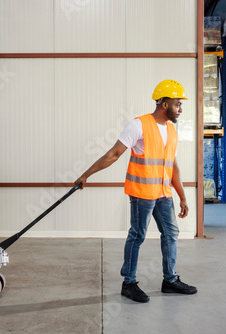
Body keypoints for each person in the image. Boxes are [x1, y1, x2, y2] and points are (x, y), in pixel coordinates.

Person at [74, 80, 197, 303]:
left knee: (171, 234)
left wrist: (182, 196)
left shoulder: (171, 130)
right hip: (142, 194)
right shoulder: (138, 125)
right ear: (164, 103)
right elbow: (113, 154)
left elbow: (173, 166)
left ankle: (169, 280)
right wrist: (86, 175)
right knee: (137, 235)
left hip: (163, 194)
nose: (180, 108)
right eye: (178, 103)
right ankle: (128, 283)